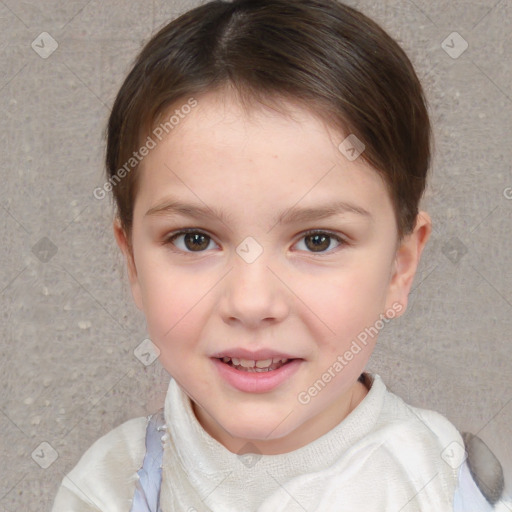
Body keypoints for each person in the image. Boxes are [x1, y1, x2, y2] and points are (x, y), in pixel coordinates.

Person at [52, 0, 510, 510]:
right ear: (133, 263)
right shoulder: (109, 488)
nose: (251, 302)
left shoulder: (449, 487)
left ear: (399, 269)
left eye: (318, 240)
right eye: (195, 239)